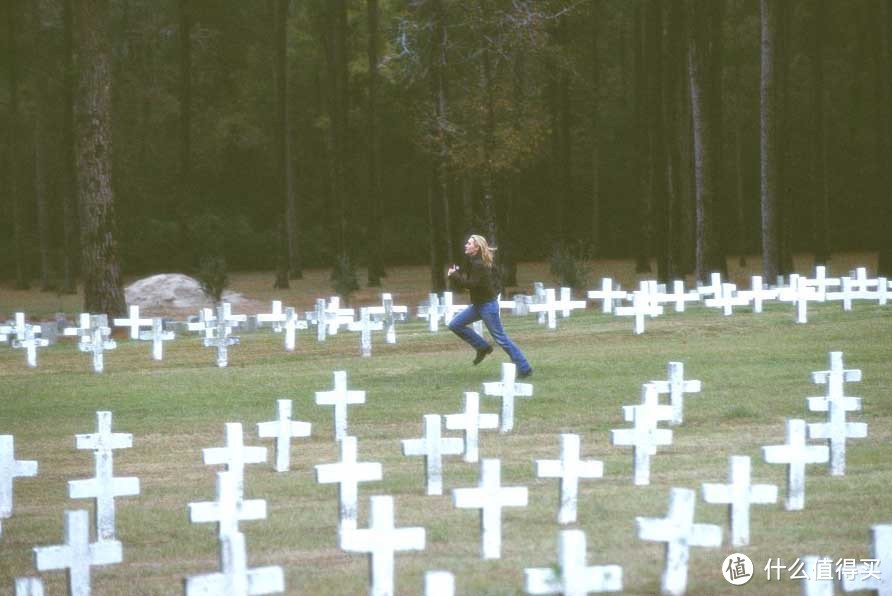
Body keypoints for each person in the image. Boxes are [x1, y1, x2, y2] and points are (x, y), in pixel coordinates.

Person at [447, 234, 533, 378]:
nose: (466, 245)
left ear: (476, 247)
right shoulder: (474, 262)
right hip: (478, 305)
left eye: (469, 243)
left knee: (501, 339)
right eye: (467, 243)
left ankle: (524, 368)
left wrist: (454, 275)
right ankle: (482, 347)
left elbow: (471, 285)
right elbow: (473, 284)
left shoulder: (479, 264)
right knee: (455, 324)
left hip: (487, 306)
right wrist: (456, 275)